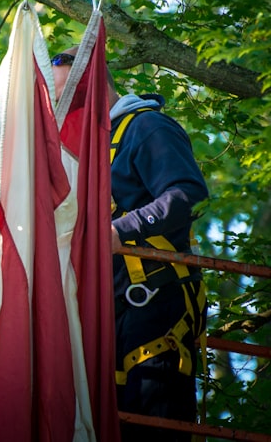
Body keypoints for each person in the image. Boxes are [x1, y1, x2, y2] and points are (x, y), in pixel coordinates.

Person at [51, 48, 208, 441]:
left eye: (66, 95)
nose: (60, 107)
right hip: (105, 304)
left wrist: (120, 231)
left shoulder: (146, 128)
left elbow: (186, 194)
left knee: (154, 420)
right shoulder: (80, 153)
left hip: (154, 298)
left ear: (92, 83)